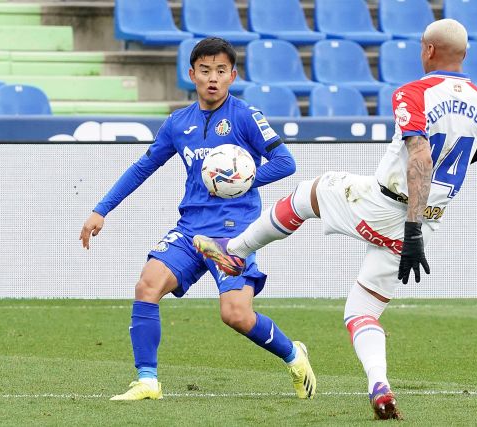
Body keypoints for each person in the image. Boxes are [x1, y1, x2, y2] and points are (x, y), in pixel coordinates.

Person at [193, 19, 477, 420]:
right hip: (427, 220)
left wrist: (410, 228)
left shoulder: (413, 93)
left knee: (314, 191)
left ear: (427, 51)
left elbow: (420, 157)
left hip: (389, 208)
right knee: (362, 311)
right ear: (464, 55)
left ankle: (235, 252)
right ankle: (378, 384)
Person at [79, 37, 316, 401]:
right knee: (147, 286)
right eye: (205, 70)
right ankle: (147, 381)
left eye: (221, 71)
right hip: (190, 230)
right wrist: (102, 208)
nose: (212, 78)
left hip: (234, 232)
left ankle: (293, 355)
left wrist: (242, 181)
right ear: (192, 74)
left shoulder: (246, 116)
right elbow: (144, 166)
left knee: (236, 314)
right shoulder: (178, 123)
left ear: (232, 75)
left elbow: (286, 163)